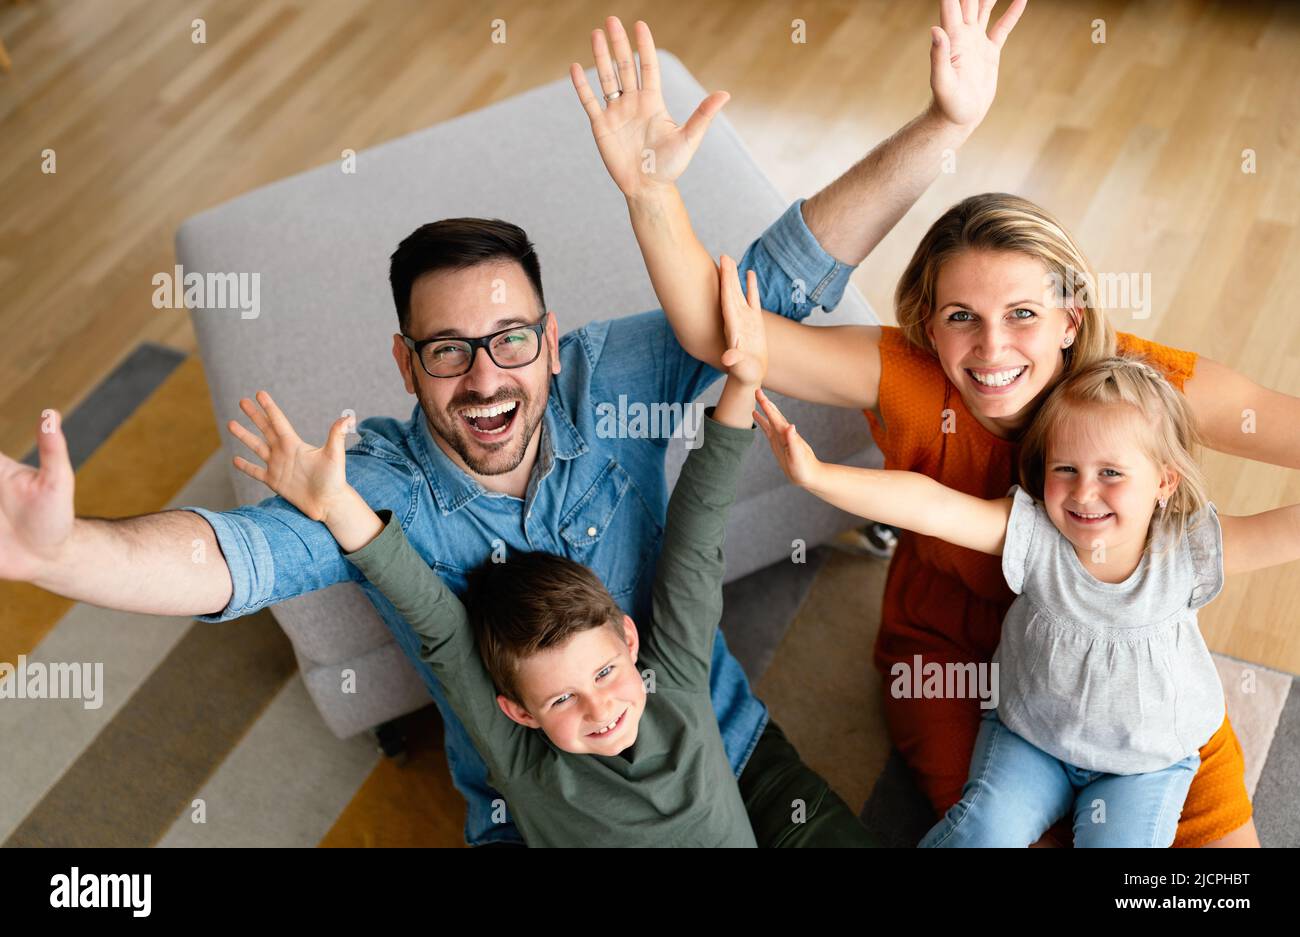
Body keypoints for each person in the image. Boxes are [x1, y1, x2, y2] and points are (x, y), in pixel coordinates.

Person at [607, 3, 1299, 846]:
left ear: (1072, 320)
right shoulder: (906, 370)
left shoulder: (1138, 388)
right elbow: (719, 336)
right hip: (957, 653)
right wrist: (651, 191)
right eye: (962, 316)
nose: (992, 347)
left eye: (1022, 314)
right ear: (927, 323)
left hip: (1131, 672)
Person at [223, 260, 875, 846]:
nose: (601, 709)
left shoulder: (673, 681)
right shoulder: (520, 757)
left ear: (628, 637)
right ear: (516, 710)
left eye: (601, 674)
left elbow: (694, 538)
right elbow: (437, 626)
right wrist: (338, 506)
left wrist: (741, 387)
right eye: (559, 701)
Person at [754, 357, 1300, 845]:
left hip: (1144, 763)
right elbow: (931, 507)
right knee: (983, 830)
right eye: (1066, 470)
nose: (1084, 493)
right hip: (1032, 739)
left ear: (1163, 480)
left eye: (1111, 473)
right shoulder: (1036, 534)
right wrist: (818, 475)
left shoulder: (1187, 549)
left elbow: (1284, 531)